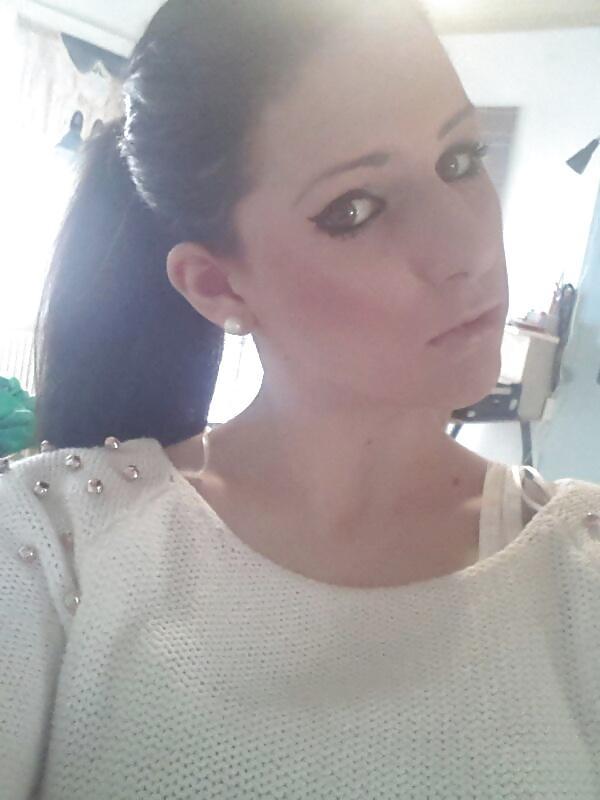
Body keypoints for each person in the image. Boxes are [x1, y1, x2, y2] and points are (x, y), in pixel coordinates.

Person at [1, 0, 600, 797]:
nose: (466, 250)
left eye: (460, 159)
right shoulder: (51, 544)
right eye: (354, 209)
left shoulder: (578, 571)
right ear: (217, 285)